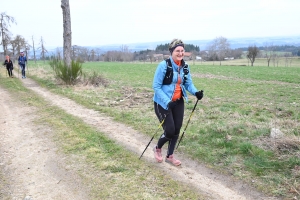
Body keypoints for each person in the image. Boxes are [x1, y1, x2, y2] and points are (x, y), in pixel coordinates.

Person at [152, 39, 204, 166]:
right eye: (177, 51)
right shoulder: (163, 66)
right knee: (169, 130)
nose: (180, 53)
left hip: (178, 102)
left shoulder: (185, 67)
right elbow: (156, 87)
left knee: (177, 129)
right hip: (162, 103)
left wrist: (196, 92)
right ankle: (158, 148)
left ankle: (170, 156)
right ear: (171, 52)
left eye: (182, 51)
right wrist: (167, 101)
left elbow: (188, 83)